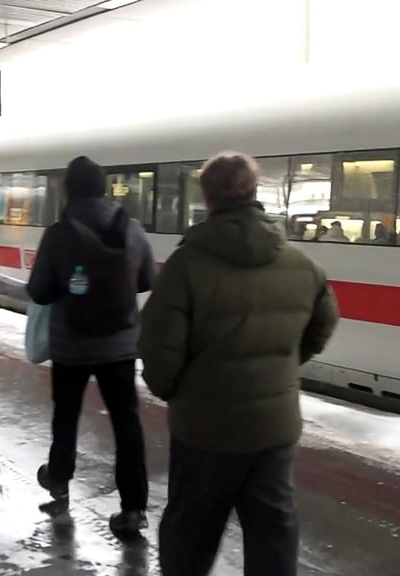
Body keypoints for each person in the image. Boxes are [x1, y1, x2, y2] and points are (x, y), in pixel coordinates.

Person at [139, 151, 340, 576]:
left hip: (204, 431)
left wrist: (176, 391)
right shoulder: (301, 264)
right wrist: (283, 367)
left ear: (208, 199)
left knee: (190, 534)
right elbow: (325, 323)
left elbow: (158, 351)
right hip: (274, 430)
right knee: (273, 534)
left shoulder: (186, 265)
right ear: (254, 192)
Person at [26, 156, 156, 538]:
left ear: (69, 189)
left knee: (65, 416)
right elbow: (147, 279)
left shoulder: (58, 233)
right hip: (120, 345)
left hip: (72, 346)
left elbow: (39, 291)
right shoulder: (131, 229)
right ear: (104, 187)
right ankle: (133, 508)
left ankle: (59, 482)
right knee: (126, 424)